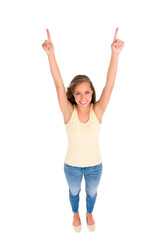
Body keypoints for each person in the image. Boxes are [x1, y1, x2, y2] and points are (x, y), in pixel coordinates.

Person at [42, 28, 124, 232]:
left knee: (92, 192)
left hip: (95, 165)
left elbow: (110, 85)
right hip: (72, 166)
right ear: (73, 95)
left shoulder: (98, 111)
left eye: (87, 91)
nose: (83, 96)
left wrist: (114, 54)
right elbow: (59, 84)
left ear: (92, 92)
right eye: (78, 93)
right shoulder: (68, 113)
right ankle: (75, 214)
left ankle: (89, 212)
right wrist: (51, 54)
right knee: (74, 191)